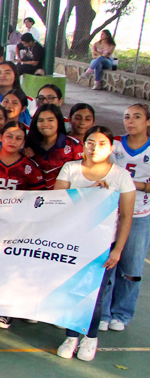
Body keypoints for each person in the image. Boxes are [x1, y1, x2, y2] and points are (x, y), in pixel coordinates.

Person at [55, 127, 136, 361]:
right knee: (72, 290)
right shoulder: (70, 168)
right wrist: (88, 192)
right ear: (84, 145)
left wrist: (118, 249)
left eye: (101, 143)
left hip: (102, 246)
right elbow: (58, 201)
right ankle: (71, 336)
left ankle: (90, 338)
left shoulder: (120, 175)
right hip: (72, 243)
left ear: (111, 148)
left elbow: (127, 215)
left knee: (96, 294)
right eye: (90, 142)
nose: (94, 147)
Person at [106, 104, 150, 333]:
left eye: (137, 117)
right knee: (107, 264)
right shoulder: (114, 145)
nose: (130, 121)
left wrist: (135, 186)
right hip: (110, 214)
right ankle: (102, 312)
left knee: (131, 268)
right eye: (126, 117)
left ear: (148, 121)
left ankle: (121, 314)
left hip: (140, 214)